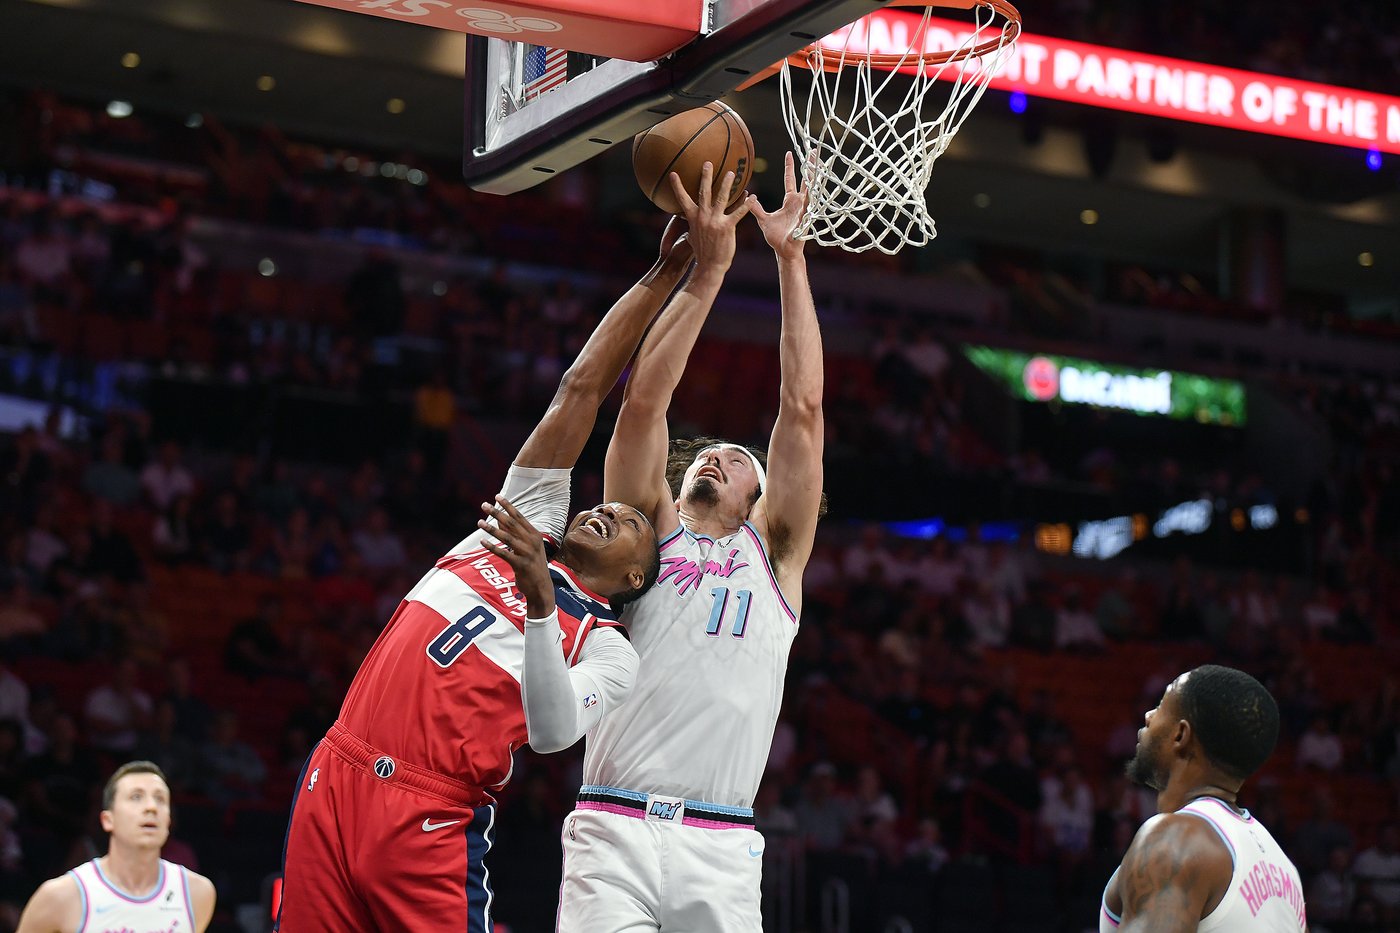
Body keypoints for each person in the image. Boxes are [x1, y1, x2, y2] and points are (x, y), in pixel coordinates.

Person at [275, 219, 697, 932]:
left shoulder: (607, 647)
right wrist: (659, 276)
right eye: (604, 504)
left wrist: (541, 603)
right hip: (337, 769)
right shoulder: (519, 525)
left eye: (628, 521)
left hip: (429, 812)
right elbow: (579, 389)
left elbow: (554, 732)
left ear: (634, 574)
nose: (604, 509)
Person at [558, 154, 824, 931]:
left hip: (722, 842)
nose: (714, 457)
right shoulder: (641, 535)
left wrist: (791, 259)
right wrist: (708, 274)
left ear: (759, 500)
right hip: (613, 827)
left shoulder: (776, 559)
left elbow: (802, 408)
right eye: (706, 453)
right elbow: (643, 402)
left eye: (737, 460)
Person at [1101, 665, 1305, 932]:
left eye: (1161, 706)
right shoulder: (1286, 872)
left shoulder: (1174, 839)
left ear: (1180, 735)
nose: (1149, 716)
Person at [15, 760, 216, 933]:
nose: (151, 807)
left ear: (169, 820)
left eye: (160, 799)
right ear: (107, 820)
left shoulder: (197, 893)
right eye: (136, 797)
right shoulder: (60, 896)